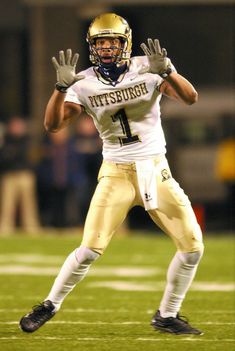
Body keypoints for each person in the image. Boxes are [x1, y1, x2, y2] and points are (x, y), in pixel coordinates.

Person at [19, 13, 204, 335]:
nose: (106, 48)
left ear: (125, 43)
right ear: (92, 46)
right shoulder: (84, 82)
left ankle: (167, 314)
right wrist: (60, 88)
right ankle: (49, 304)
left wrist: (169, 72)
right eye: (100, 42)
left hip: (155, 170)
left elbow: (190, 98)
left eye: (113, 41)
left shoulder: (149, 67)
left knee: (193, 249)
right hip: (116, 172)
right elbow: (53, 125)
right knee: (90, 248)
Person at [0, 116, 40, 235]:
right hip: (9, 175)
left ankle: (31, 227)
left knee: (28, 204)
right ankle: (5, 227)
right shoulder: (6, 141)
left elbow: (33, 158)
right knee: (7, 204)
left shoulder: (28, 141)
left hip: (25, 175)